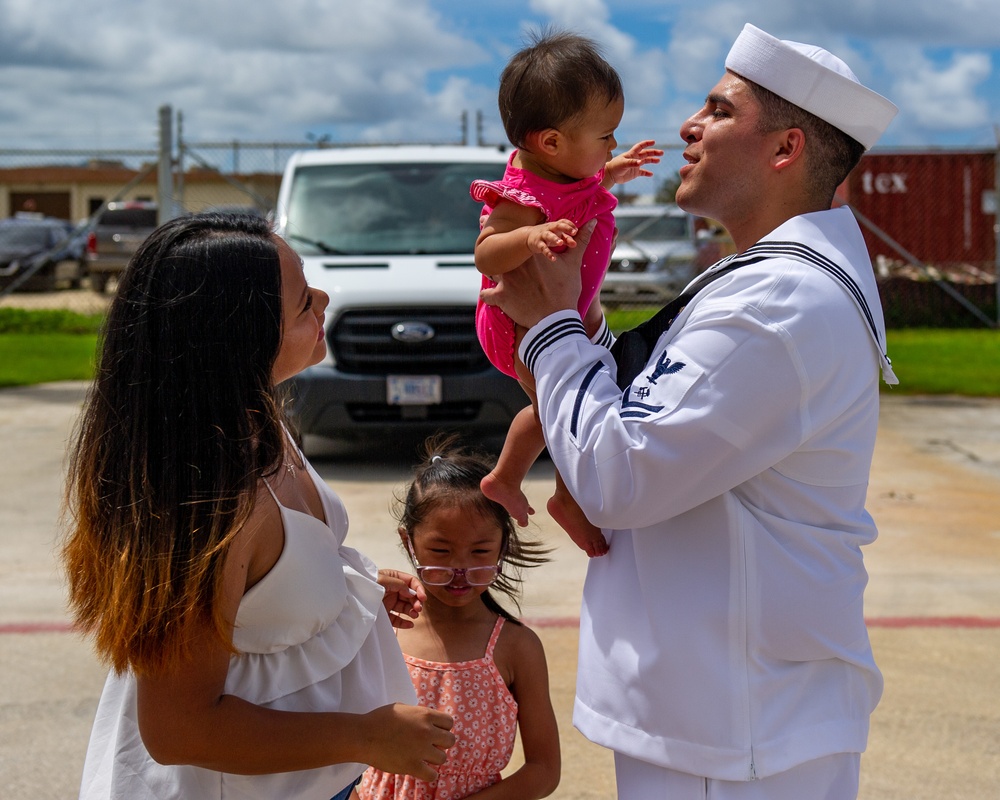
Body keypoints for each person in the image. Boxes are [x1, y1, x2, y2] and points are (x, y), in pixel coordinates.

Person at [480, 22, 899, 800]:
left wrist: (546, 325)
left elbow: (622, 476)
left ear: (785, 150)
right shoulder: (758, 276)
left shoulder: (780, 299)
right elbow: (638, 393)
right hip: (722, 715)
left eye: (718, 108)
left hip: (735, 732)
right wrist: (574, 324)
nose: (686, 126)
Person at [61, 212, 455, 800]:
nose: (323, 298)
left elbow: (270, 578)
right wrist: (367, 738)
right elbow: (178, 729)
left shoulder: (251, 416)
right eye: (302, 303)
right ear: (238, 339)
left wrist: (357, 583)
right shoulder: (210, 501)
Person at [470, 30, 662, 558]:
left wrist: (612, 172)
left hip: (568, 316)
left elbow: (585, 184)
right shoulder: (522, 199)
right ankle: (515, 480)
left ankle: (560, 491)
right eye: (606, 137)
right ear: (551, 144)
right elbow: (486, 254)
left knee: (586, 398)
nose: (613, 147)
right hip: (523, 326)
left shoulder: (566, 171)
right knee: (557, 409)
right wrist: (528, 237)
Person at [358, 434, 561, 800]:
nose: (460, 570)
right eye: (441, 550)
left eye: (480, 550)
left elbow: (544, 770)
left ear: (503, 545)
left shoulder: (517, 647)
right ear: (408, 542)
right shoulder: (381, 625)